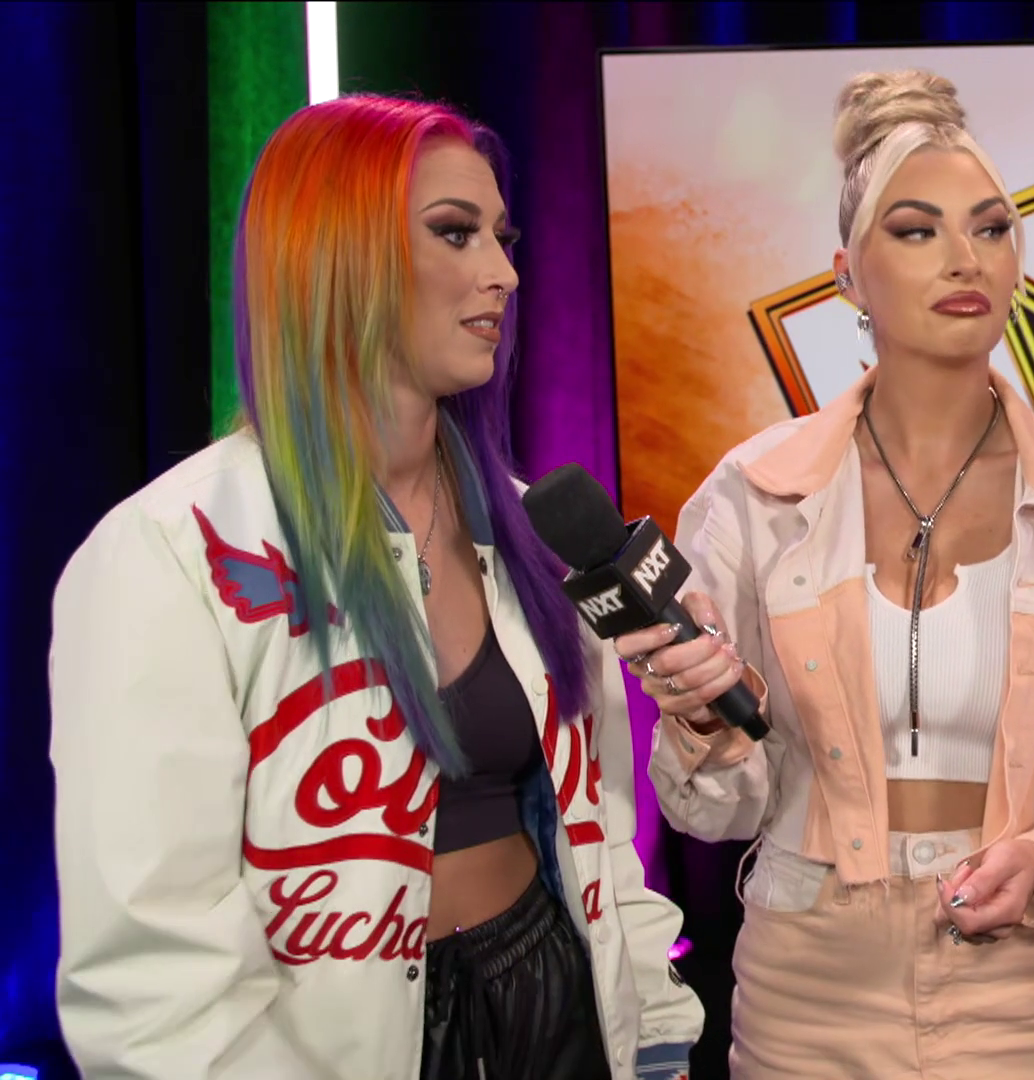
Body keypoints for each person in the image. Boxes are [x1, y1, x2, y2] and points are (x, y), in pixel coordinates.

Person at [48, 94, 702, 1080]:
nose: (504, 273)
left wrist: (652, 1036)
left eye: (502, 238)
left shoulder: (529, 531)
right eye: (455, 233)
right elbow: (155, 967)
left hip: (558, 1004)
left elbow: (600, 831)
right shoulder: (169, 554)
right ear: (333, 256)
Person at [615, 70, 1034, 1078]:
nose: (964, 258)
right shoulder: (753, 496)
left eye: (992, 229)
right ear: (847, 276)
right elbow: (717, 812)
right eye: (915, 230)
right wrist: (701, 726)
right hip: (812, 991)